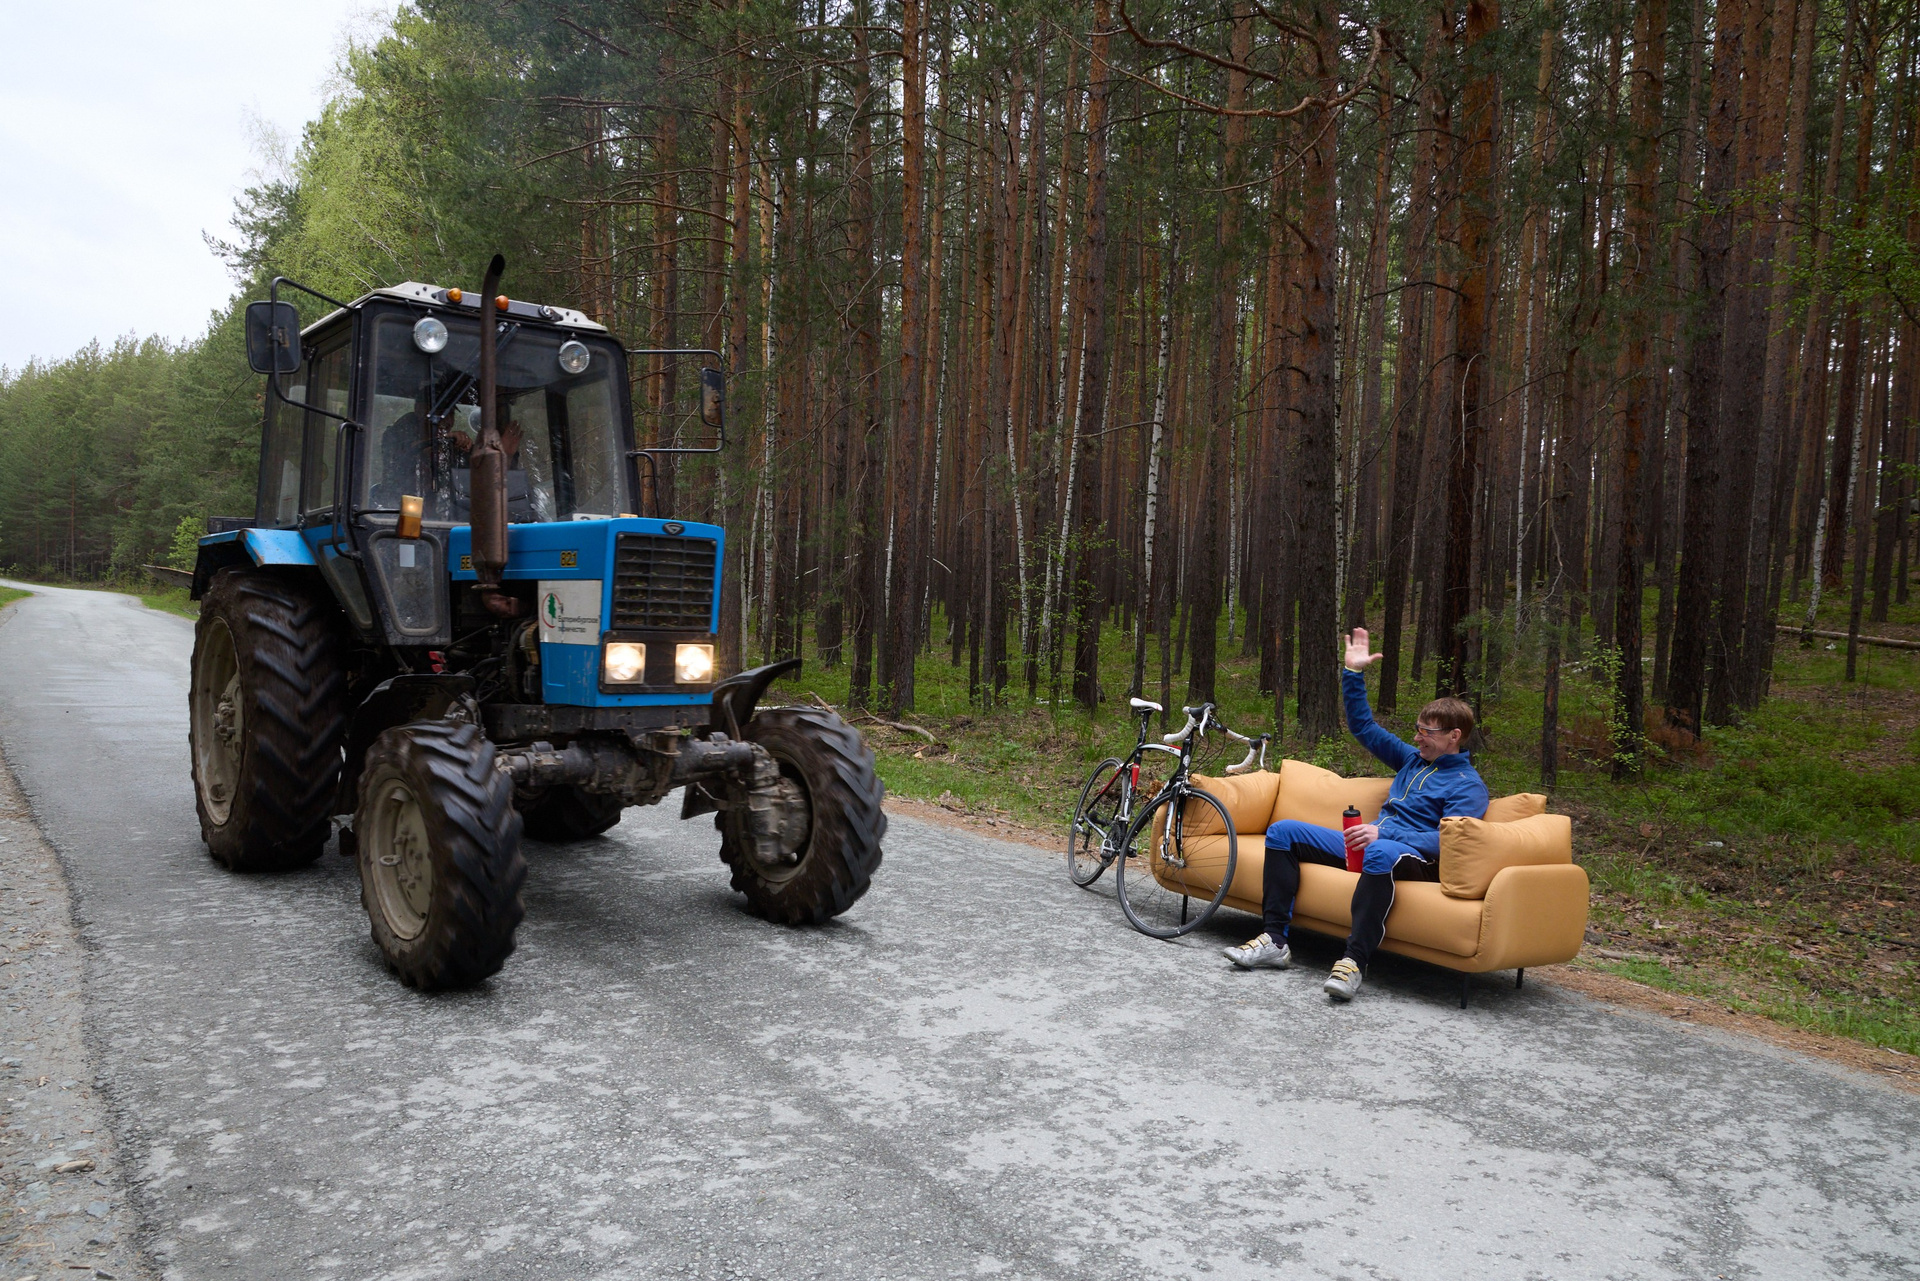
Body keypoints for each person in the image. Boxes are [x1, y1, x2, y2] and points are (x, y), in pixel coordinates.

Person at [1223, 627, 1488, 1002]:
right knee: (1283, 832)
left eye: (1426, 732)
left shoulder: (1468, 786)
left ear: (1454, 736)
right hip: (1373, 844)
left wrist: (1385, 835)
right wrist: (1353, 673)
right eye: (1417, 730)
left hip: (1415, 858)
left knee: (1378, 850)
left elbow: (1449, 843)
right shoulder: (1412, 760)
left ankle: (1353, 962)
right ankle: (1275, 940)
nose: (1417, 738)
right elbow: (1363, 727)